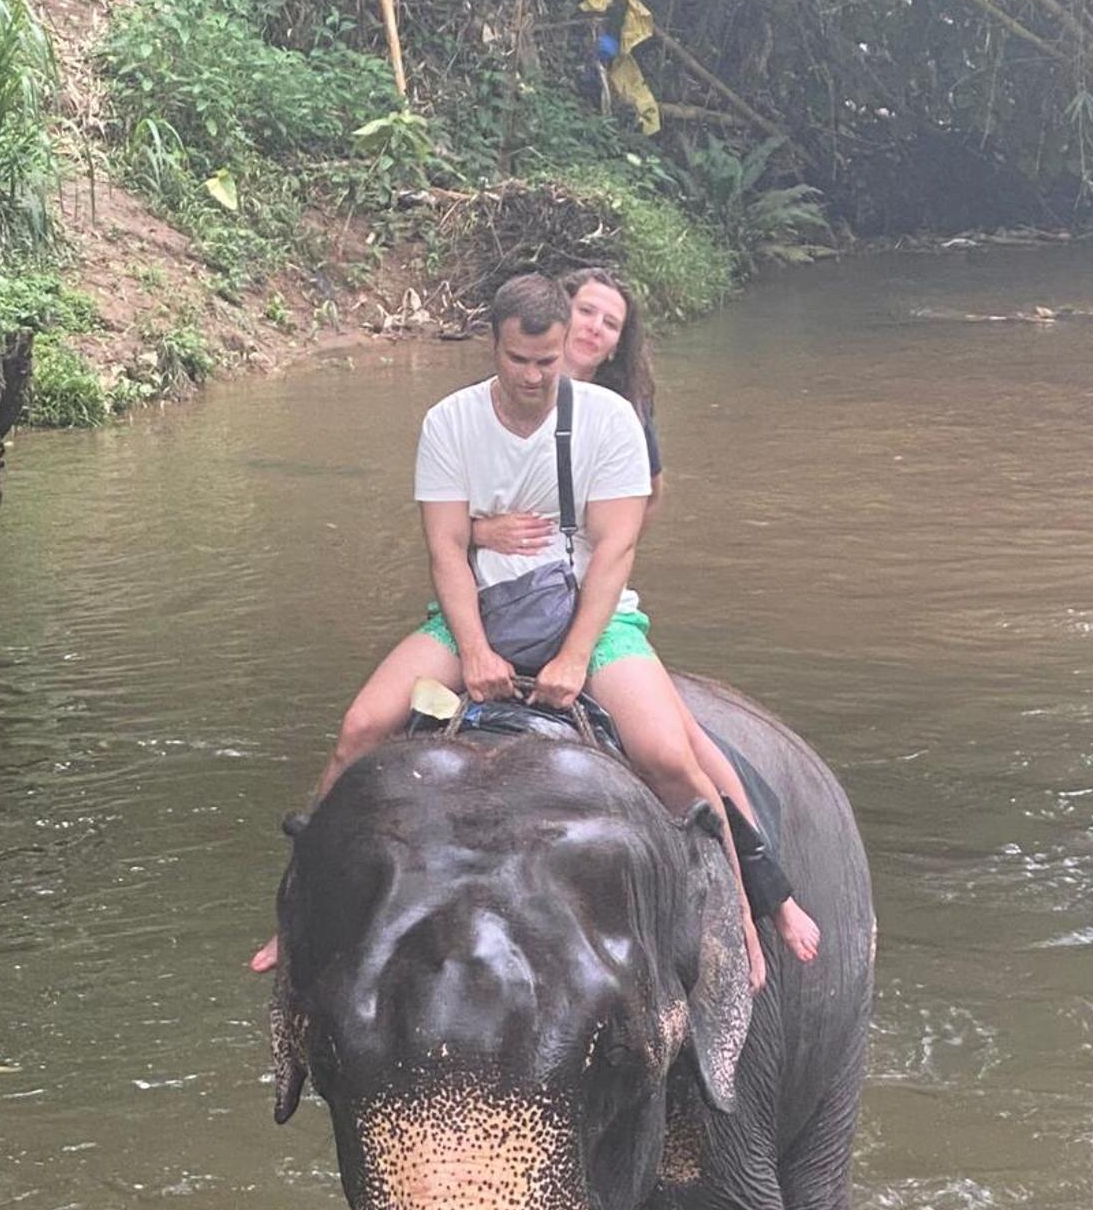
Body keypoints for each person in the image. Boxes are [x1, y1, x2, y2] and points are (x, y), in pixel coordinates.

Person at [251, 271, 767, 983]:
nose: (532, 376)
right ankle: (300, 913)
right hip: (478, 612)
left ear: (566, 346)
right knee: (360, 728)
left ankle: (739, 919)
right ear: (493, 345)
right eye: (518, 360)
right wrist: (473, 650)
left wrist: (576, 657)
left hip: (593, 618)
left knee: (668, 756)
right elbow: (444, 549)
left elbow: (615, 548)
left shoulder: (610, 419)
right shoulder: (449, 422)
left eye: (546, 362)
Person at [470, 266, 820, 964]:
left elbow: (642, 507)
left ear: (617, 344)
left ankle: (761, 892)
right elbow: (453, 518)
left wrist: (596, 549)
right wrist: (486, 533)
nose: (595, 329)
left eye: (611, 323)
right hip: (499, 602)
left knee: (677, 746)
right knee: (376, 729)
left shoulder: (620, 415)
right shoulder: (493, 404)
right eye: (587, 313)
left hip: (587, 601)